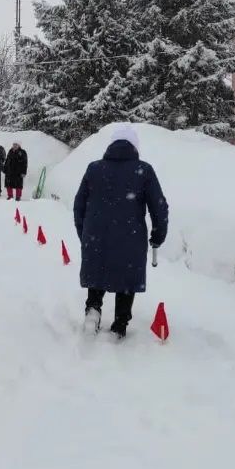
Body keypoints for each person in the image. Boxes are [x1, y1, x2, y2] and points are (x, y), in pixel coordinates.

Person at [73, 125, 168, 340]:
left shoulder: (94, 168)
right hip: (130, 237)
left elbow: (79, 205)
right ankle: (120, 323)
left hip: (95, 233)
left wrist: (84, 234)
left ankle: (93, 310)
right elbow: (159, 206)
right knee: (126, 278)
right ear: (134, 147)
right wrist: (158, 235)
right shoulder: (144, 170)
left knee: (98, 272)